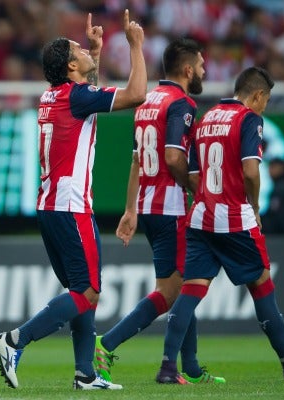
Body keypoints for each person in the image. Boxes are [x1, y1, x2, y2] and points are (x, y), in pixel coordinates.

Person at [0, 9, 147, 391]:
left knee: (81, 291)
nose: (87, 47)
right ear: (72, 64)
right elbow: (137, 94)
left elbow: (85, 94)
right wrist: (135, 46)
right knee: (88, 291)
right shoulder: (76, 97)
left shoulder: (53, 95)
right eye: (81, 48)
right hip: (70, 205)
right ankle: (14, 340)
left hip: (51, 206)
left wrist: (95, 50)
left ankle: (85, 374)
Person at [155, 67, 284, 384]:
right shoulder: (249, 119)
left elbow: (195, 175)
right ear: (257, 95)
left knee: (191, 291)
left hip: (200, 216)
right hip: (234, 218)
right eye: (265, 100)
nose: (264, 106)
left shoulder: (208, 116)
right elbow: (252, 171)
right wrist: (253, 205)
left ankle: (168, 367)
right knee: (262, 285)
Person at [93, 37, 224, 385]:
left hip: (150, 207)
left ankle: (192, 367)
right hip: (172, 207)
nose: (203, 70)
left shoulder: (147, 101)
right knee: (173, 292)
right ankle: (106, 343)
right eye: (200, 65)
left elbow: (137, 159)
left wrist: (130, 209)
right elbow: (171, 157)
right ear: (186, 69)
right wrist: (197, 190)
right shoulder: (181, 104)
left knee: (183, 283)